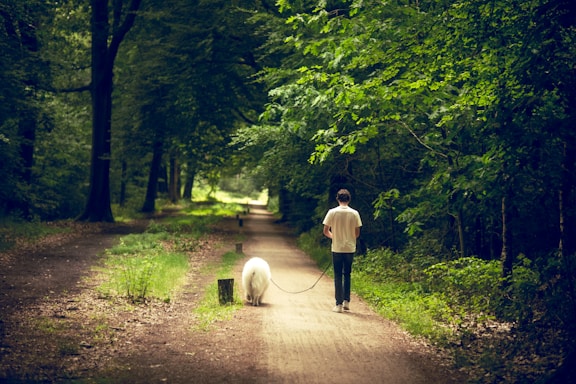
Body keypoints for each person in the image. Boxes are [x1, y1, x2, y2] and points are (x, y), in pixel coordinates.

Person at [322, 189, 362, 313]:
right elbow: (357, 233)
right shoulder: (355, 213)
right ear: (349, 199)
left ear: (338, 199)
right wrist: (348, 238)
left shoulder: (332, 212)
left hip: (337, 248)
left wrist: (335, 237)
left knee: (338, 275)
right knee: (347, 274)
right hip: (350, 248)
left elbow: (325, 231)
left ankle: (338, 304)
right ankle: (347, 302)